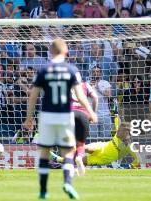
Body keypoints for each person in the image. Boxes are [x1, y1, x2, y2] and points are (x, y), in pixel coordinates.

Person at [23, 38, 97, 200]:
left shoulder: (43, 70)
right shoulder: (72, 70)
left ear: (50, 52)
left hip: (47, 115)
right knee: (68, 152)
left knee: (44, 152)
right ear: (66, 52)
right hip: (65, 115)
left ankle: (43, 191)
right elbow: (80, 96)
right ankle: (68, 183)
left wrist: (29, 118)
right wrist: (91, 111)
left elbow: (33, 96)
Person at [50, 122, 140, 167]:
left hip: (103, 159)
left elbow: (138, 160)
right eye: (118, 129)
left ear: (126, 133)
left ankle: (57, 159)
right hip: (102, 146)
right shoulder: (119, 133)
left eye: (120, 130)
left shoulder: (129, 146)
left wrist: (128, 166)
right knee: (84, 148)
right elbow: (117, 120)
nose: (117, 131)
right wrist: (115, 112)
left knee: (79, 161)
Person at [70, 80, 99, 176]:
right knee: (81, 142)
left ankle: (73, 167)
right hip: (83, 114)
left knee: (71, 142)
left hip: (69, 114)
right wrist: (93, 113)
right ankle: (80, 156)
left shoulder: (65, 84)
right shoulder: (86, 84)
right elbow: (95, 97)